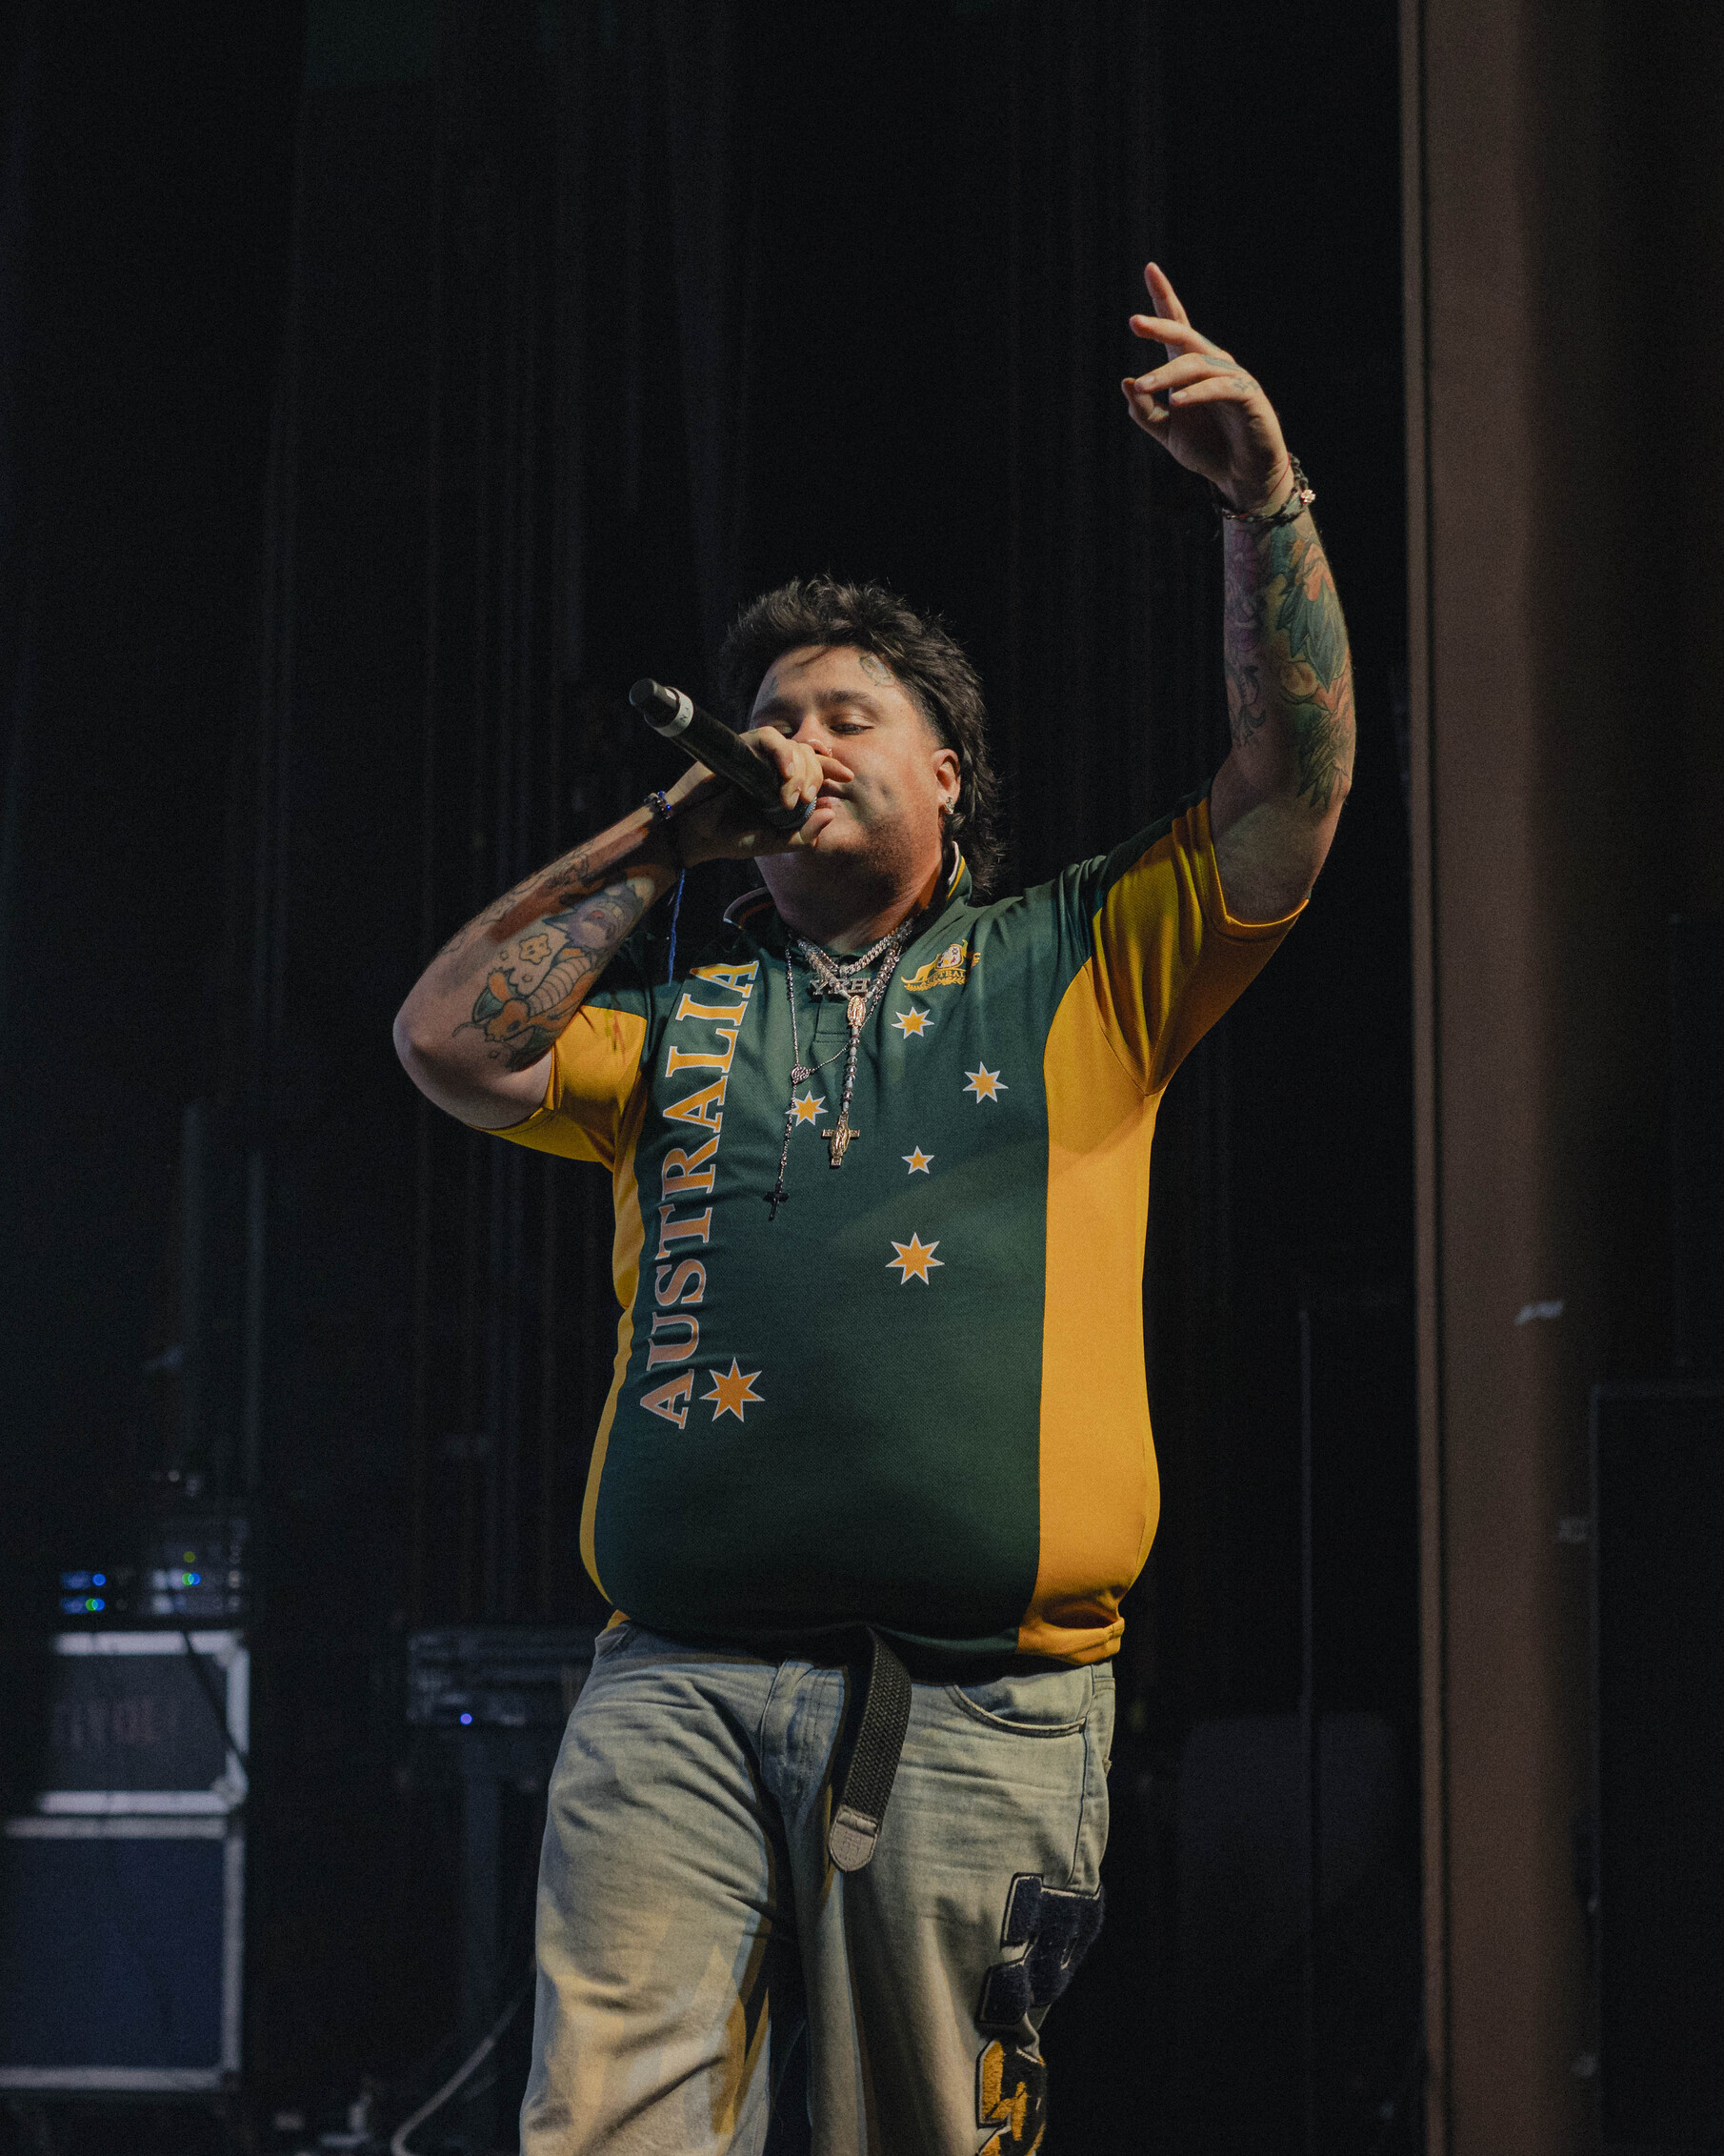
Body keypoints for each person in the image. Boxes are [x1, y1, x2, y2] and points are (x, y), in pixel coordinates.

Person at [394, 262, 1353, 2156]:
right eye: (773, 715)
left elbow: (1289, 789)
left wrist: (1264, 501)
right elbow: (449, 1039)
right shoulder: (676, 1028)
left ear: (944, 775)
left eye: (848, 714)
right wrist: (669, 830)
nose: (799, 741)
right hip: (672, 1684)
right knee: (604, 2126)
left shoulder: (1078, 963)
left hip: (976, 1707)